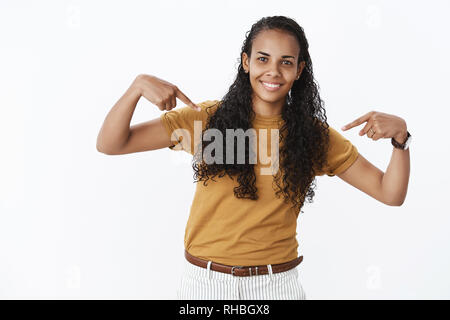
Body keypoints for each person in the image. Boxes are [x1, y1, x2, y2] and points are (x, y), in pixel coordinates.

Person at [96, 16, 411, 300]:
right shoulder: (205, 120)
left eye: (286, 62)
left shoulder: (314, 136)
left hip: (276, 285)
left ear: (300, 70)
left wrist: (401, 139)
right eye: (263, 59)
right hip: (204, 285)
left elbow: (389, 193)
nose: (273, 71)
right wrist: (136, 87)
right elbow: (111, 144)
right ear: (246, 62)